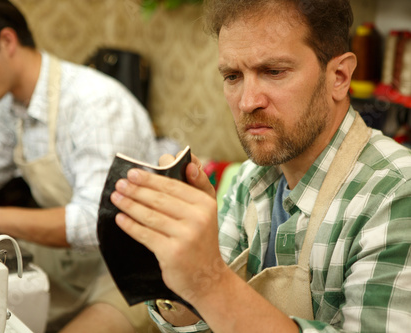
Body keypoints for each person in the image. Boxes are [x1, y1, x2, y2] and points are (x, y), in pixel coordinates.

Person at [110, 0, 411, 332]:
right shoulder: (249, 181)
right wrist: (172, 269)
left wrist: (209, 283)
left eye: (274, 71)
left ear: (339, 77)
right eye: (233, 76)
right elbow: (197, 326)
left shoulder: (396, 194)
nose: (247, 101)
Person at [0, 0, 161, 332]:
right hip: (70, 264)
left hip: (131, 273)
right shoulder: (11, 105)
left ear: (7, 41)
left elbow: (92, 222)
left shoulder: (96, 104)